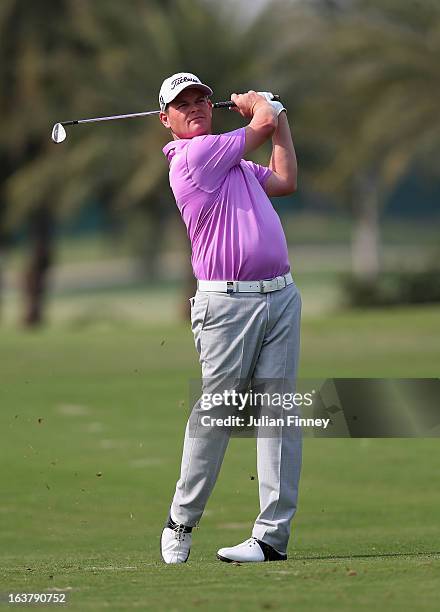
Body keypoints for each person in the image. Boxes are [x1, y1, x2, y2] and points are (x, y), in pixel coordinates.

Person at [158, 72, 302, 563]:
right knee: (218, 414)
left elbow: (285, 180)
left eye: (201, 99)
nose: (195, 107)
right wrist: (264, 106)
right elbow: (259, 125)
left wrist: (277, 119)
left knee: (278, 413)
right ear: (167, 120)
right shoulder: (194, 158)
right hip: (227, 306)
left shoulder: (233, 164)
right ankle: (182, 519)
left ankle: (270, 539)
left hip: (281, 297)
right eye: (183, 104)